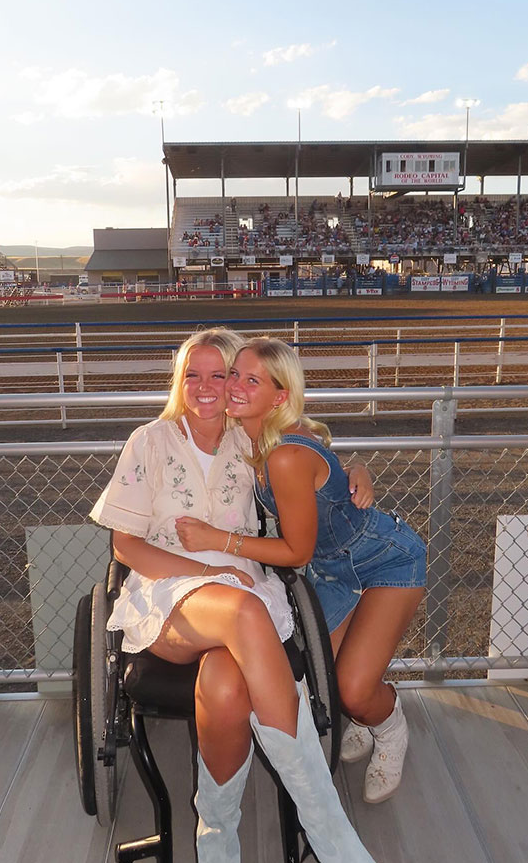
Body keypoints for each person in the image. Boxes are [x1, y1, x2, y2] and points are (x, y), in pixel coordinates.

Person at [90, 328, 377, 863]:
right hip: (171, 594)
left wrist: (359, 471)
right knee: (242, 608)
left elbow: (316, 453)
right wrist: (204, 568)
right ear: (180, 381)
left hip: (245, 595)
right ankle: (336, 842)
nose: (205, 386)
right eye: (192, 375)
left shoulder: (251, 439)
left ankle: (216, 840)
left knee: (224, 686)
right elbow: (125, 544)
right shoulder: (148, 441)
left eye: (219, 375)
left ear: (233, 383)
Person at [176, 336, 427, 806]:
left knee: (351, 689)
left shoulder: (283, 454)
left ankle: (388, 723)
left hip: (385, 561)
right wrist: (356, 465)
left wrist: (217, 540)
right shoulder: (251, 438)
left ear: (280, 396)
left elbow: (294, 550)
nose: (233, 386)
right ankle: (367, 713)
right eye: (235, 374)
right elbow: (327, 460)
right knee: (323, 675)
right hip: (334, 570)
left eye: (252, 380)